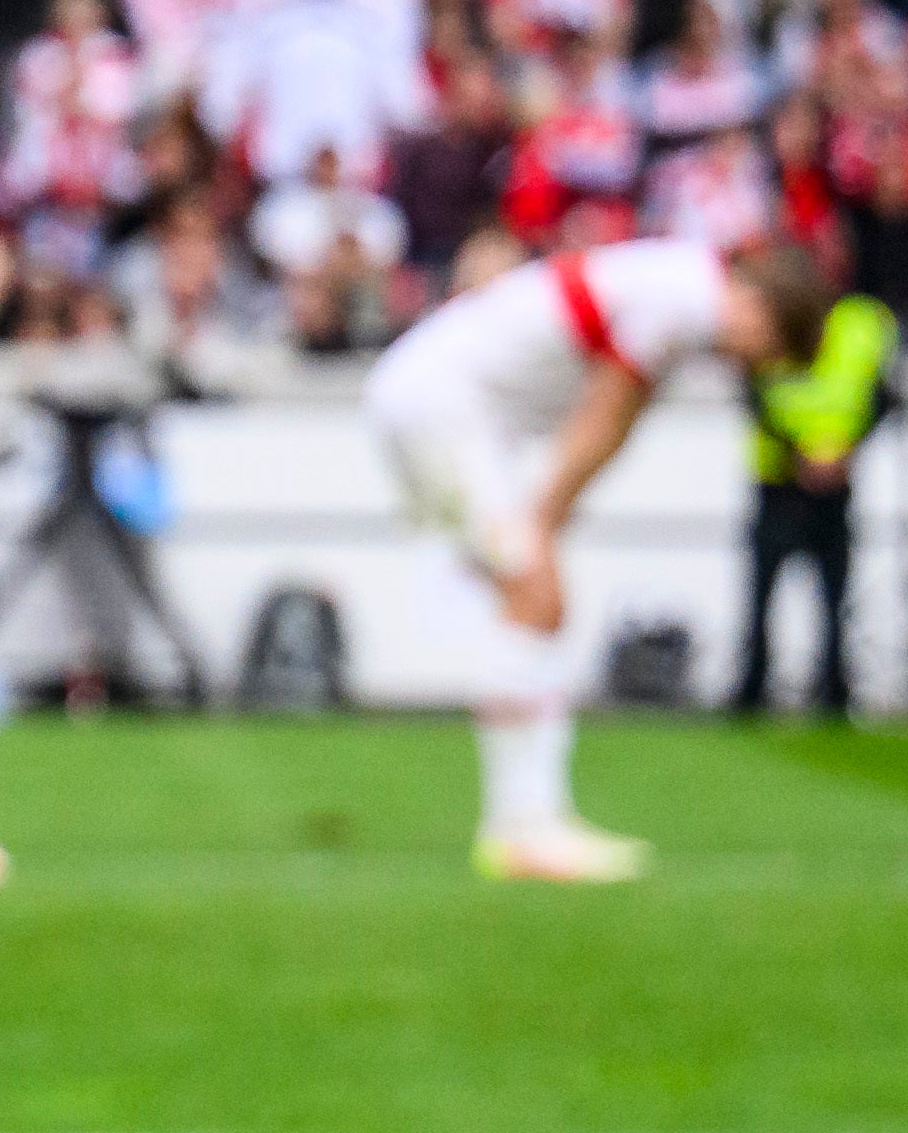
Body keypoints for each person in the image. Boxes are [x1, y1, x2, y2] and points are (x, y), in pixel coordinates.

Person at [360, 237, 843, 878]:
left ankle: (533, 821)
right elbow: (605, 415)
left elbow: (616, 420)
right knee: (535, 594)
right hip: (441, 411)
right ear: (761, 309)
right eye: (769, 348)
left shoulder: (676, 292)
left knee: (536, 597)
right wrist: (546, 516)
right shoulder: (686, 300)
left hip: (446, 411)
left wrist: (548, 516)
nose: (753, 363)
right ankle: (523, 829)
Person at [732, 284, 888, 717]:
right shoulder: (771, 317)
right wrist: (799, 451)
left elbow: (878, 393)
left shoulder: (862, 321)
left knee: (834, 597)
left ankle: (835, 692)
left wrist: (847, 448)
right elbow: (755, 393)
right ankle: (752, 688)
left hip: (834, 487)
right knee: (761, 594)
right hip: (779, 481)